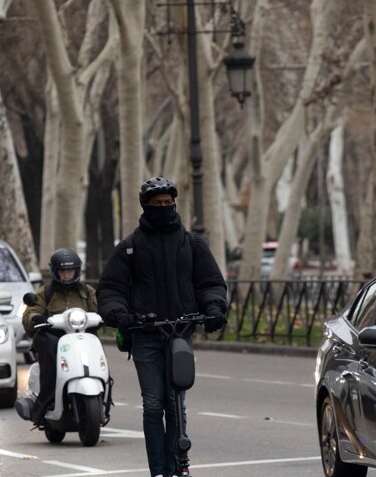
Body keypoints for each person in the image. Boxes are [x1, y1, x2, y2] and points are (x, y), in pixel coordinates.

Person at [97, 176, 228, 477]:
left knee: (175, 404)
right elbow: (110, 289)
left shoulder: (192, 244)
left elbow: (210, 283)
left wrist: (214, 308)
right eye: (157, 205)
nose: (164, 208)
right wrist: (120, 313)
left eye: (168, 204)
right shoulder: (129, 248)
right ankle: (159, 471)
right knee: (154, 405)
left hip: (180, 336)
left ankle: (178, 468)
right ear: (145, 207)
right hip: (145, 337)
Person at [21, 248, 97, 418]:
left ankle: (103, 388)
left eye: (70, 271)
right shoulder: (44, 292)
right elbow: (30, 312)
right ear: (55, 272)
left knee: (96, 347)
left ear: (77, 271)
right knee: (50, 348)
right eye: (63, 272)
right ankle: (45, 400)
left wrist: (110, 315)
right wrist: (35, 318)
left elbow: (99, 310)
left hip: (81, 336)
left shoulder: (87, 292)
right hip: (52, 336)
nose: (67, 276)